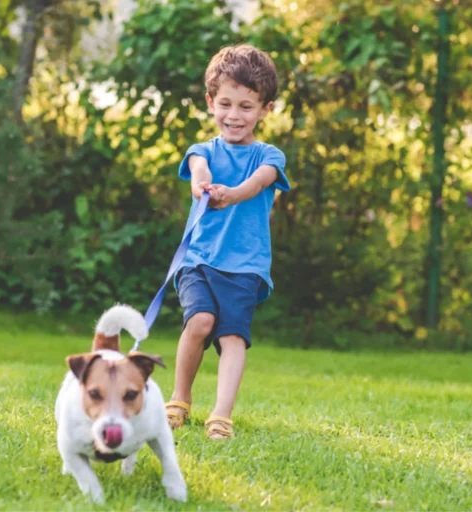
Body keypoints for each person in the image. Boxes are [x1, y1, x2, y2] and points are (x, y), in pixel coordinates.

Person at [164, 44, 290, 440]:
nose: (234, 115)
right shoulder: (201, 150)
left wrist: (231, 194)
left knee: (232, 336)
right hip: (199, 258)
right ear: (210, 102)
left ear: (266, 109)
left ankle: (221, 415)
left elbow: (258, 183)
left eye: (246, 106)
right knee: (200, 322)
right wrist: (203, 188)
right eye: (225, 104)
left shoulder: (269, 156)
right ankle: (179, 400)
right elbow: (198, 174)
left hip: (246, 266)